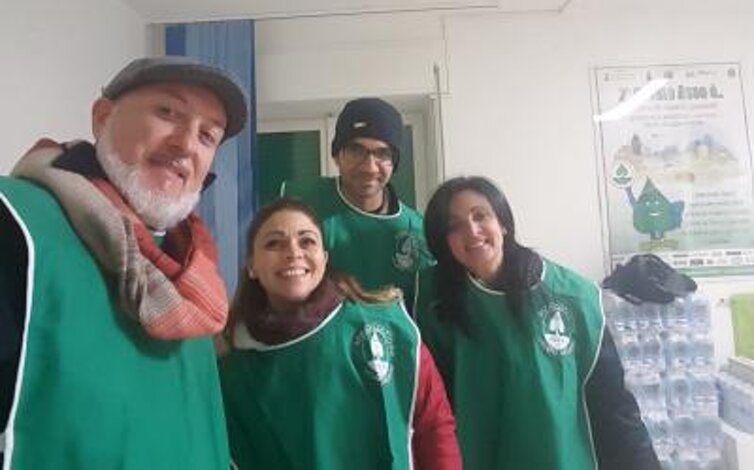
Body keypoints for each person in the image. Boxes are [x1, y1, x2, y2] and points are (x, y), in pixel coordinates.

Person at [0, 56, 249, 468]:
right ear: (102, 118)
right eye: (167, 112)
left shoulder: (195, 280)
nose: (186, 144)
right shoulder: (16, 222)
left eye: (207, 135)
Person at [415, 176, 660, 470]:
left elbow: (614, 407)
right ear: (444, 242)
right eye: (454, 226)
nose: (472, 231)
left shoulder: (572, 298)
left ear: (503, 223)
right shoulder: (434, 303)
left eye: (480, 216)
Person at [218, 198, 461, 470]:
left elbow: (434, 426)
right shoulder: (232, 362)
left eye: (307, 241)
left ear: (324, 259)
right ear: (251, 265)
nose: (293, 253)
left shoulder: (382, 327)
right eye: (274, 243)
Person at [281, 97, 433, 307]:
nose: (369, 167)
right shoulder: (300, 202)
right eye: (356, 150)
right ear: (337, 156)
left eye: (382, 154)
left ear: (394, 163)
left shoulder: (417, 231)